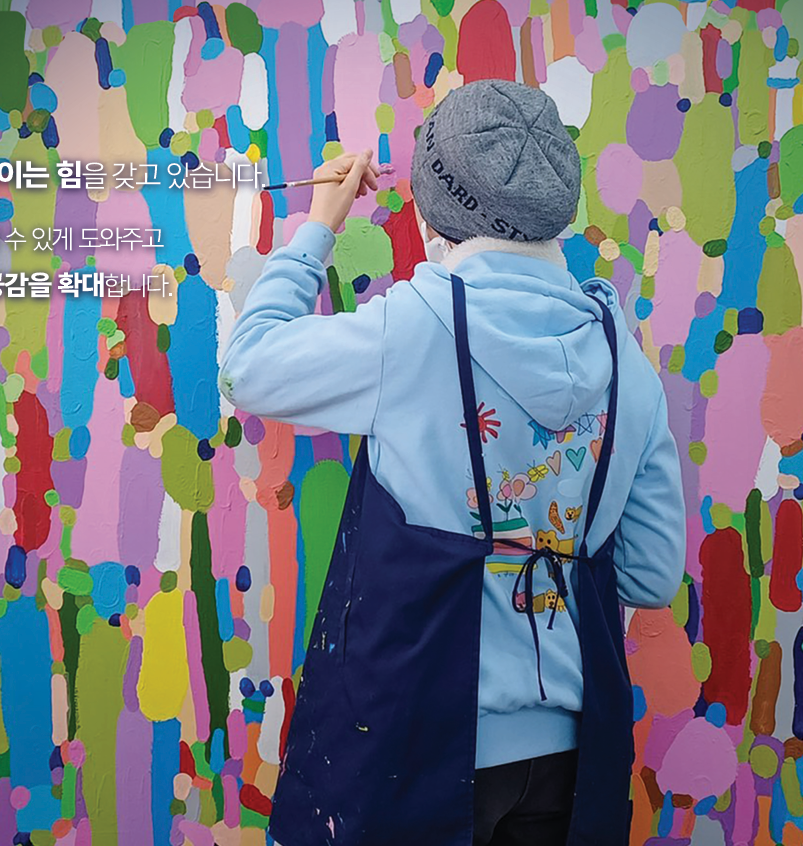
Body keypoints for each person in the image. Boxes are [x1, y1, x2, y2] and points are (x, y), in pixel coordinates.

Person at [218, 79, 685, 846]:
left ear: (433, 213)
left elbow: (246, 370)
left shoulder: (411, 329)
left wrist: (318, 226)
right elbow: (650, 577)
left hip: (416, 743)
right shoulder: (625, 363)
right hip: (570, 761)